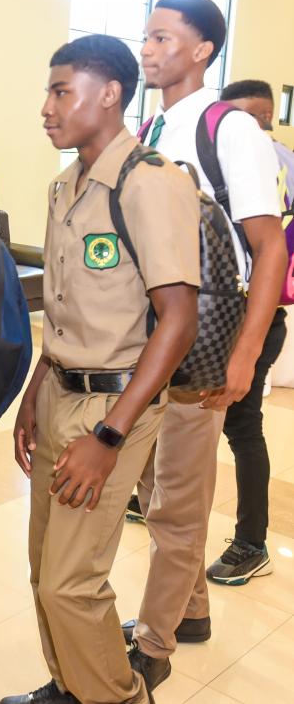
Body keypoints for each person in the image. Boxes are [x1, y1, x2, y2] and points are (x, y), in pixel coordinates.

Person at [1, 34, 200, 704]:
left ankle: (118, 696)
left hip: (116, 407)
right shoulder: (66, 185)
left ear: (110, 93)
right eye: (49, 92)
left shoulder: (151, 184)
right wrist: (34, 393)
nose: (46, 108)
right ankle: (69, 685)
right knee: (42, 570)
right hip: (60, 393)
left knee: (71, 583)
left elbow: (176, 320)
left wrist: (110, 437)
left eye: (61, 91)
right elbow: (63, 312)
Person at [120, 0, 286, 689]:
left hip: (208, 342)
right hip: (162, 332)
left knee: (178, 502)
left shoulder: (228, 129)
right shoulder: (158, 123)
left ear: (202, 51)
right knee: (161, 481)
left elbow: (270, 248)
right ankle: (188, 612)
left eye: (163, 37)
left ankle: (153, 651)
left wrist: (245, 355)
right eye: (147, 35)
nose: (148, 47)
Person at [200, 78, 289, 585]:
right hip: (213, 314)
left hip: (255, 315)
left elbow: (273, 249)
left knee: (242, 426)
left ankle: (252, 542)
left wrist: (248, 342)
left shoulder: (274, 163)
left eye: (256, 121)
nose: (243, 132)